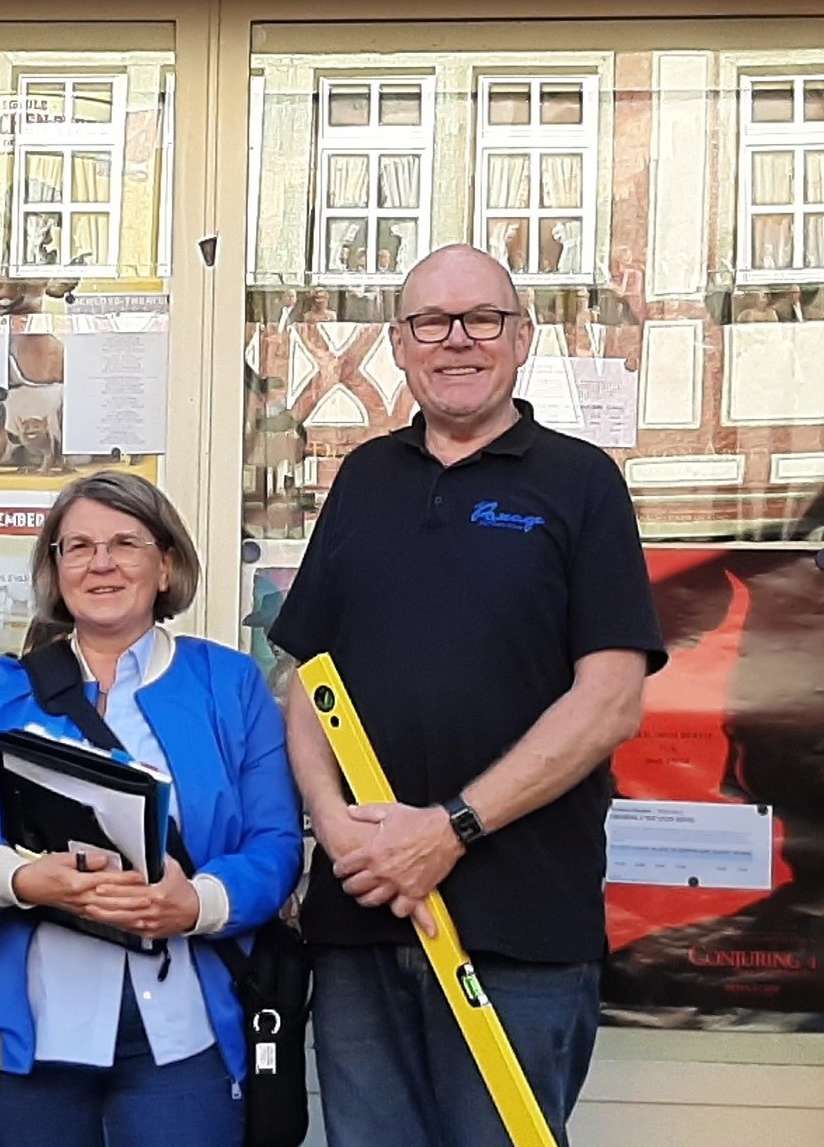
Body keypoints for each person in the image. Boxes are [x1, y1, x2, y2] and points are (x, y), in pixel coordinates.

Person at [269, 244, 666, 1146]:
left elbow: (610, 702)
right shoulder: (365, 479)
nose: (457, 340)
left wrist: (449, 829)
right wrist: (333, 826)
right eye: (430, 322)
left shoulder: (581, 483)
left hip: (519, 927)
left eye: (482, 318)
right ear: (399, 345)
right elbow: (307, 678)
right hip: (364, 917)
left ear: (521, 339)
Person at [0, 472, 303, 1147]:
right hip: (29, 1033)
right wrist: (24, 878)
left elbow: (275, 845)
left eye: (126, 543)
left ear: (166, 565)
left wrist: (198, 903)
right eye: (79, 546)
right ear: (56, 568)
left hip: (184, 1030)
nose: (101, 563)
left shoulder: (230, 684)